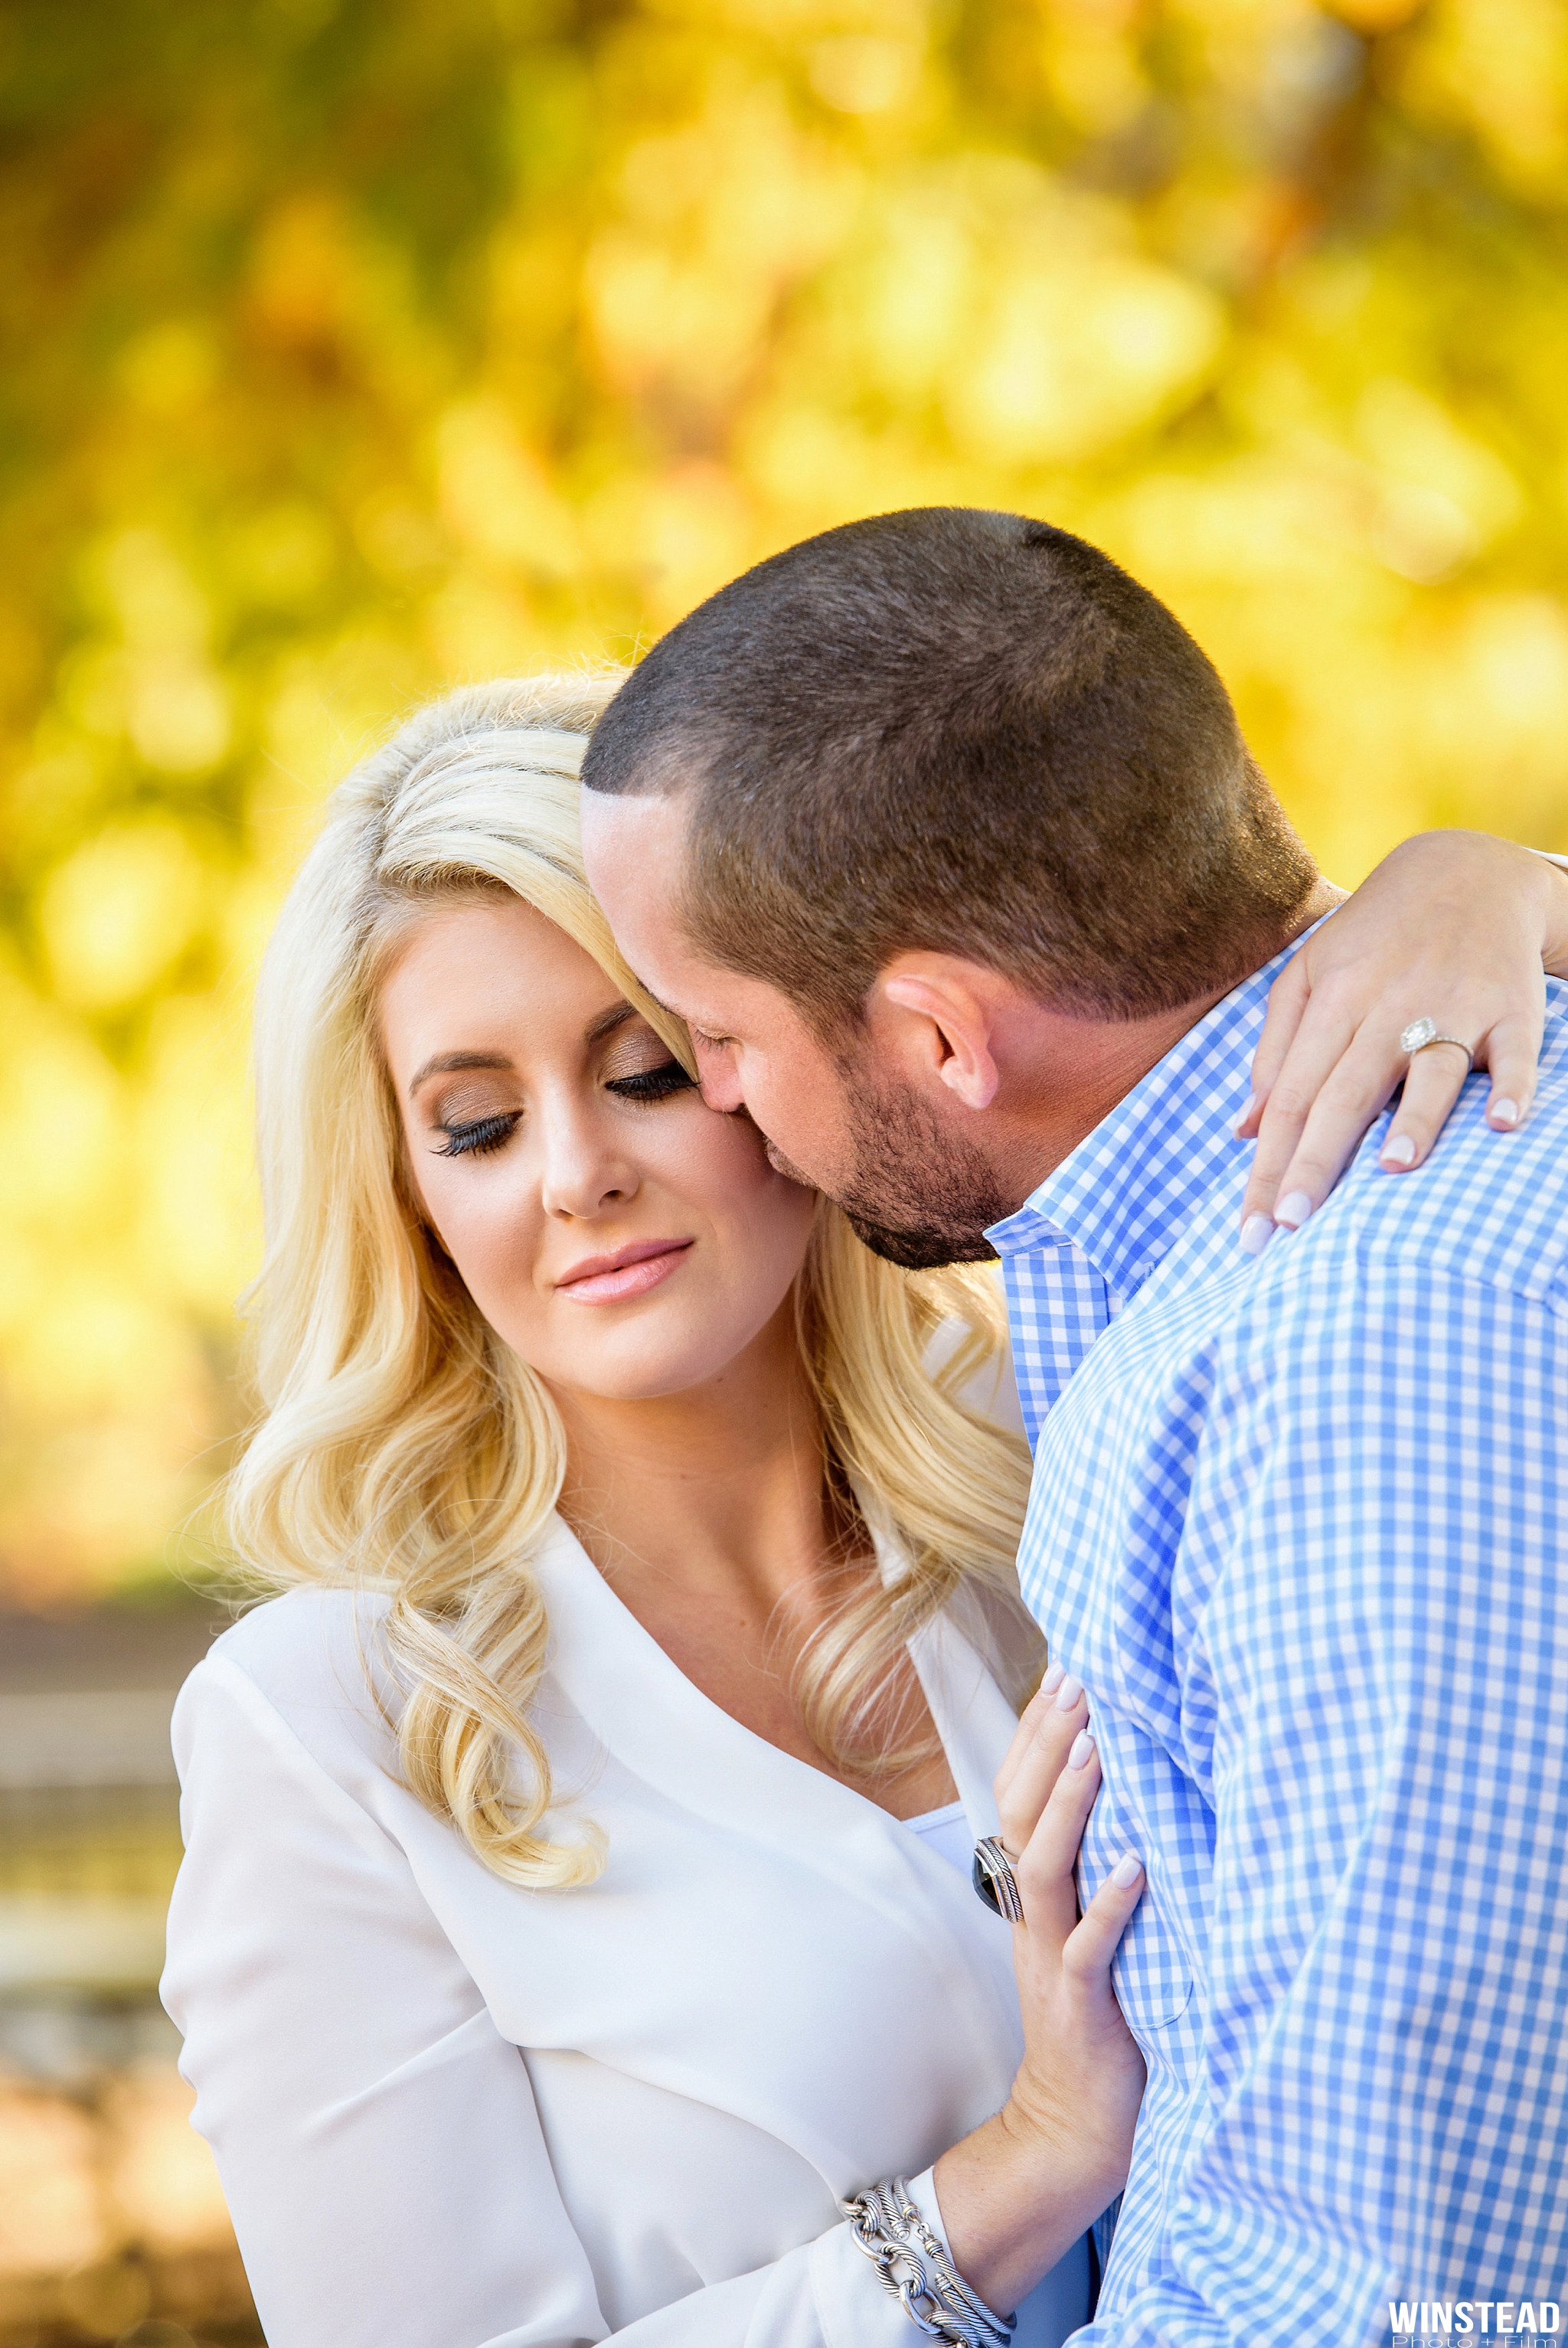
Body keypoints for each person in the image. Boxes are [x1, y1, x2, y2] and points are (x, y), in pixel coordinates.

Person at [576, 510, 1568, 2345]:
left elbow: (1384, 2290)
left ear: (943, 1036)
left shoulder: (1343, 1351)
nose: (712, 1103)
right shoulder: (1211, 1281)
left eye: (706, 1035)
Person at [162, 671, 1146, 2348]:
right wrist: (1016, 2177)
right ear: (406, 1196)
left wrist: (1477, 896)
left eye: (644, 1069)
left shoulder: (1062, 1466)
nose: (571, 1171)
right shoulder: (327, 1726)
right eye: (474, 1120)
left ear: (783, 1056)